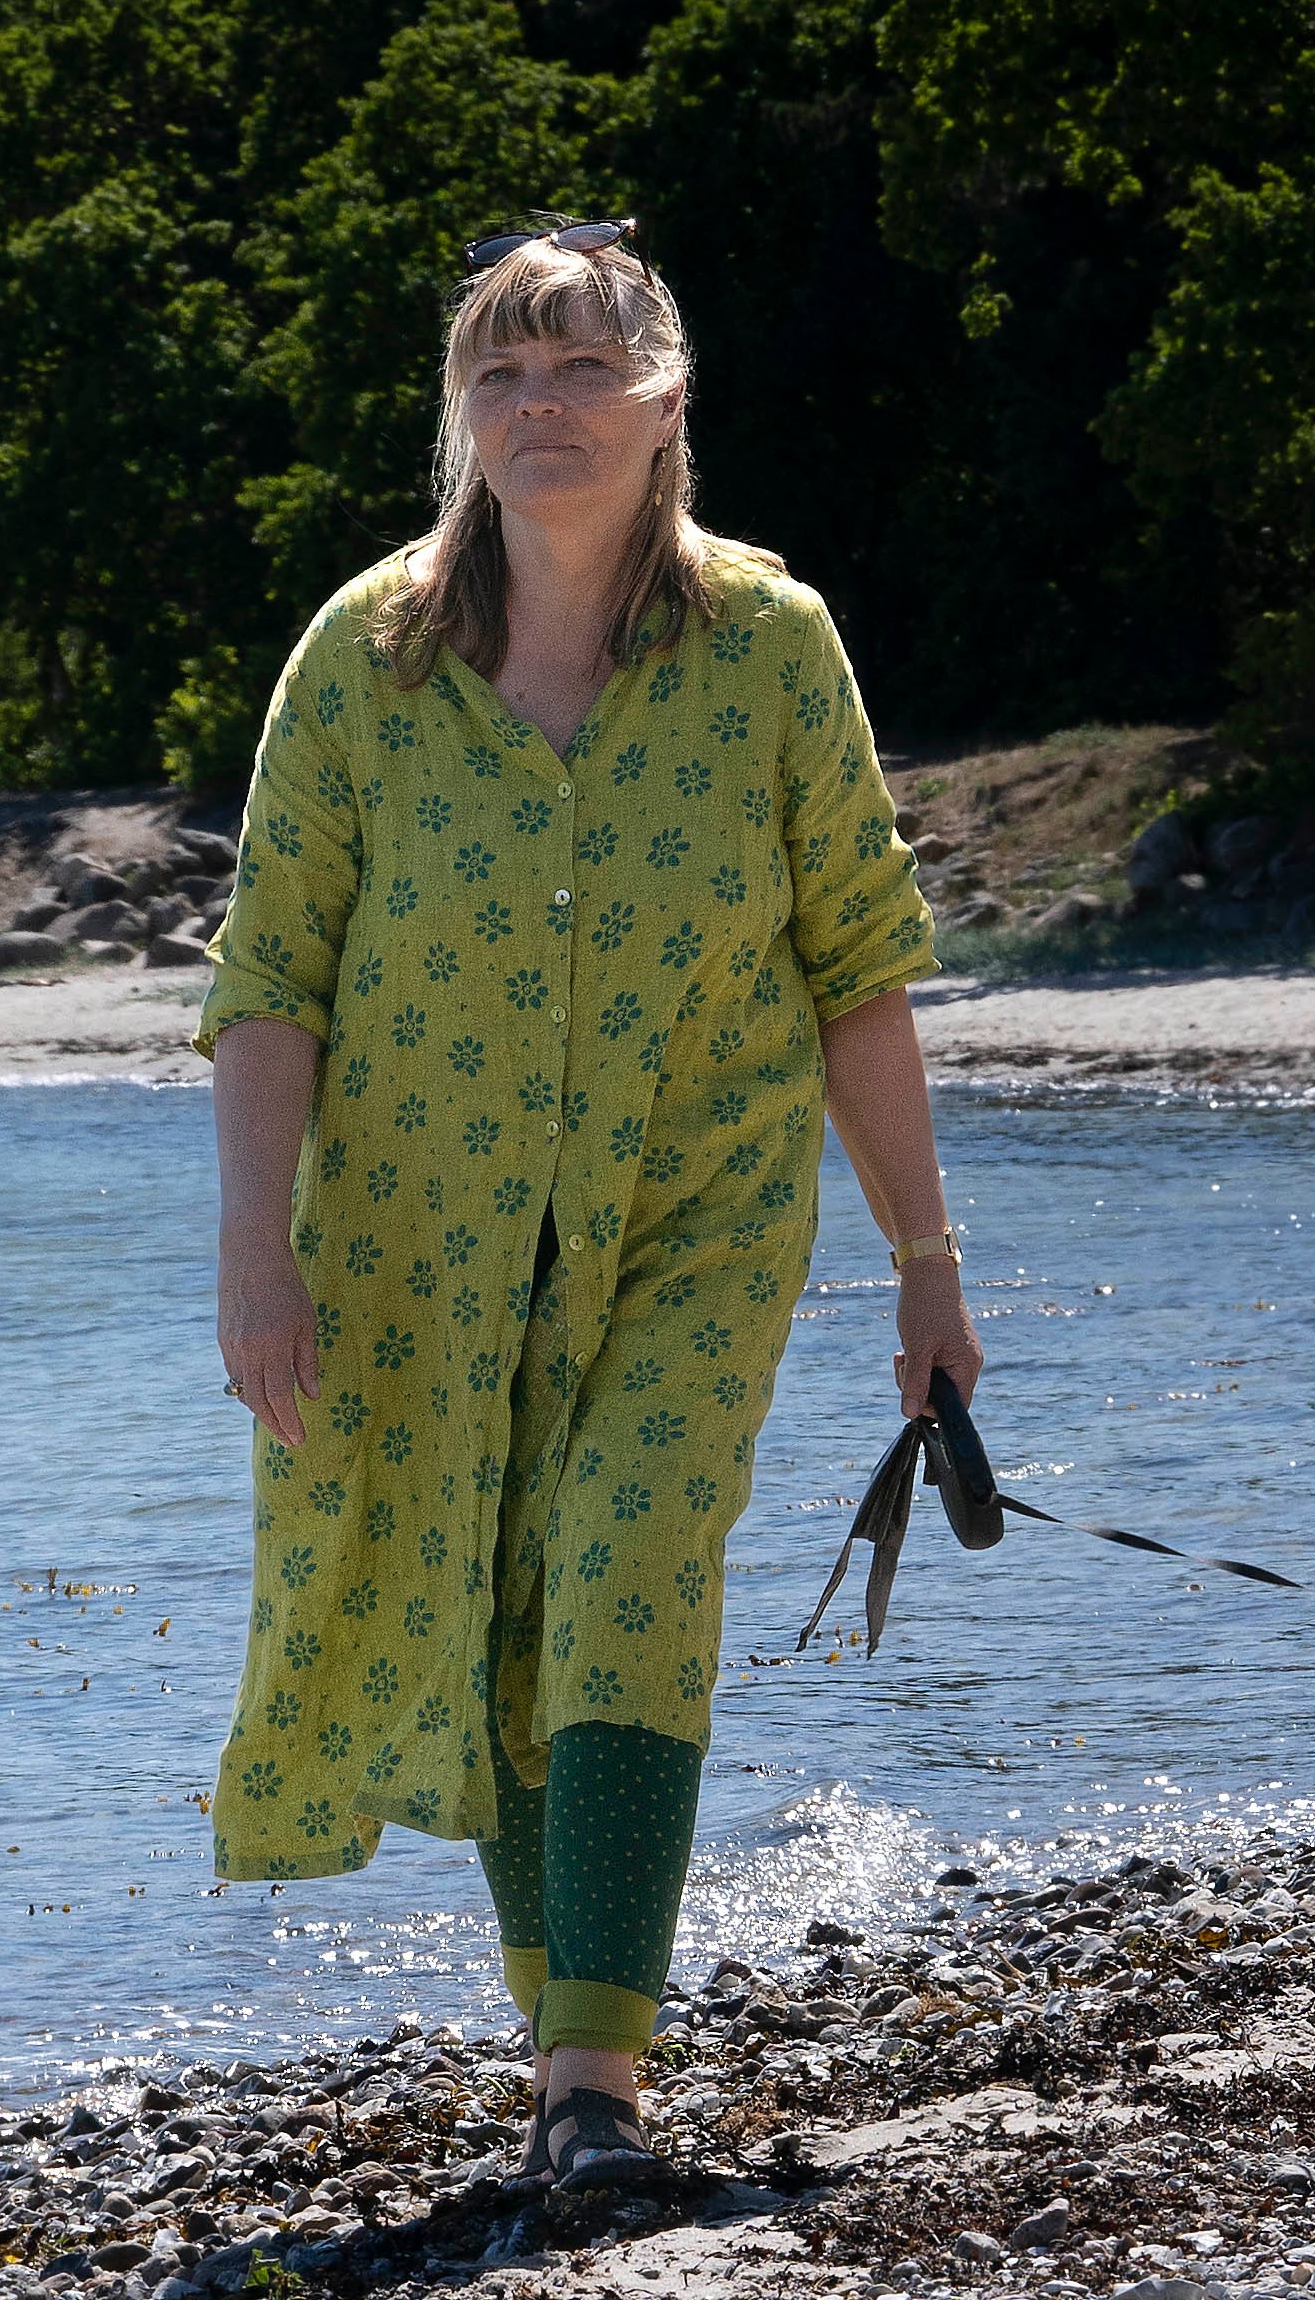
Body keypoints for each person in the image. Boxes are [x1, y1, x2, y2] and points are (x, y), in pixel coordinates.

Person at [198, 219, 986, 2190]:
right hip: (415, 1226)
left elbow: (857, 968)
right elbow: (268, 974)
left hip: (695, 1208)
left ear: (664, 403)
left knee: (625, 1542)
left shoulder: (772, 648)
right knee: (492, 1609)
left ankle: (596, 2082)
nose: (535, 403)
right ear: (459, 413)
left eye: (576, 366)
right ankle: (571, 2066)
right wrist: (250, 1253)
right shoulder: (362, 660)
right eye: (498, 370)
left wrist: (925, 1261)